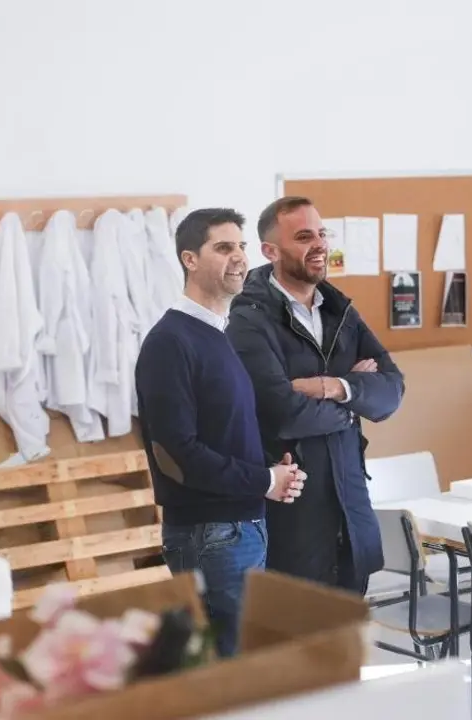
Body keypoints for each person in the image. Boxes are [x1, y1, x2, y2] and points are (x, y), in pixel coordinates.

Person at [134, 207, 306, 658]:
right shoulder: (171, 342)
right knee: (231, 668)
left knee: (241, 662)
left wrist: (272, 471)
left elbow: (225, 430)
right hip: (211, 534)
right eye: (223, 247)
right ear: (190, 259)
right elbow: (178, 453)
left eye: (242, 247)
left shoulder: (217, 335)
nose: (239, 258)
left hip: (238, 528)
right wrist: (264, 481)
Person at [226, 196, 405, 594]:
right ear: (270, 251)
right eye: (304, 236)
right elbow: (281, 412)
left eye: (322, 233)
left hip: (351, 510)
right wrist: (352, 403)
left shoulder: (339, 311)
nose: (320, 244)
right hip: (295, 520)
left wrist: (333, 387)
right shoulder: (248, 320)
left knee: (347, 648)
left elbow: (392, 391)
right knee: (298, 644)